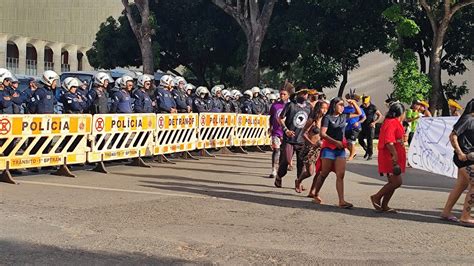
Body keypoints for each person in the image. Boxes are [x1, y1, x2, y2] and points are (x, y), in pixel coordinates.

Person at [311, 97, 362, 208]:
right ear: (334, 106)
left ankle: (341, 201)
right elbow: (322, 134)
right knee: (324, 173)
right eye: (340, 105)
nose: (342, 107)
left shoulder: (344, 116)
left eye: (343, 105)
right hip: (329, 149)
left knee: (341, 175)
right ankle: (315, 194)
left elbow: (359, 113)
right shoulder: (327, 118)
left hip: (340, 150)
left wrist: (353, 103)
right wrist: (335, 142)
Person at [440, 99, 474, 227]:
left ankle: (446, 212)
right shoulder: (467, 119)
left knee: (461, 185)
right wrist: (460, 153)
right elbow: (453, 136)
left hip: (468, 157)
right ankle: (465, 216)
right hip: (465, 158)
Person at [370, 102, 407, 213]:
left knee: (393, 182)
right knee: (396, 182)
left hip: (394, 153)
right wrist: (394, 155)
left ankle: (385, 204)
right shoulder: (391, 123)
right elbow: (389, 142)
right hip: (390, 155)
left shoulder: (396, 122)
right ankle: (376, 197)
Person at [274, 84, 312, 189]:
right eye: (303, 92)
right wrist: (286, 130)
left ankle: (299, 182)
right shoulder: (290, 105)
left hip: (302, 140)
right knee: (286, 160)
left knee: (301, 164)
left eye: (306, 93)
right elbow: (280, 118)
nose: (305, 95)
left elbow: (312, 121)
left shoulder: (309, 107)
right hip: (289, 139)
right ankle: (279, 175)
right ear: (298, 93)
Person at [297, 100, 329, 194]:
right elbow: (303, 133)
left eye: (326, 108)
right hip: (310, 148)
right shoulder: (312, 120)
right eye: (323, 108)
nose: (324, 110)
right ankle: (298, 181)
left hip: (320, 148)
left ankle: (312, 191)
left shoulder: (325, 120)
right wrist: (312, 143)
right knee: (310, 172)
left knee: (319, 171)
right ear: (318, 108)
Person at [267, 87, 291, 179]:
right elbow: (271, 117)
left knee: (284, 151)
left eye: (284, 94)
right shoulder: (275, 105)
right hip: (276, 131)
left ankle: (282, 168)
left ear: (288, 95)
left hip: (286, 132)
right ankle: (273, 170)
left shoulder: (290, 105)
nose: (282, 96)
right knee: (276, 150)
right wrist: (270, 127)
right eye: (281, 94)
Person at [358, 95, 382, 160]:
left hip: (370, 126)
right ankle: (366, 150)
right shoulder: (361, 107)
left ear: (368, 101)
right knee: (360, 139)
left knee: (370, 141)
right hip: (363, 126)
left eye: (365, 103)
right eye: (363, 103)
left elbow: (380, 115)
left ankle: (370, 154)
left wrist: (374, 122)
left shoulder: (373, 107)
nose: (364, 104)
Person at [344, 92, 365, 161]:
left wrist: (358, 122)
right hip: (347, 128)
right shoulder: (344, 109)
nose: (350, 103)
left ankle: (351, 156)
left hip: (355, 128)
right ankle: (353, 152)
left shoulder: (359, 109)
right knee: (346, 143)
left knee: (351, 142)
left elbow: (364, 117)